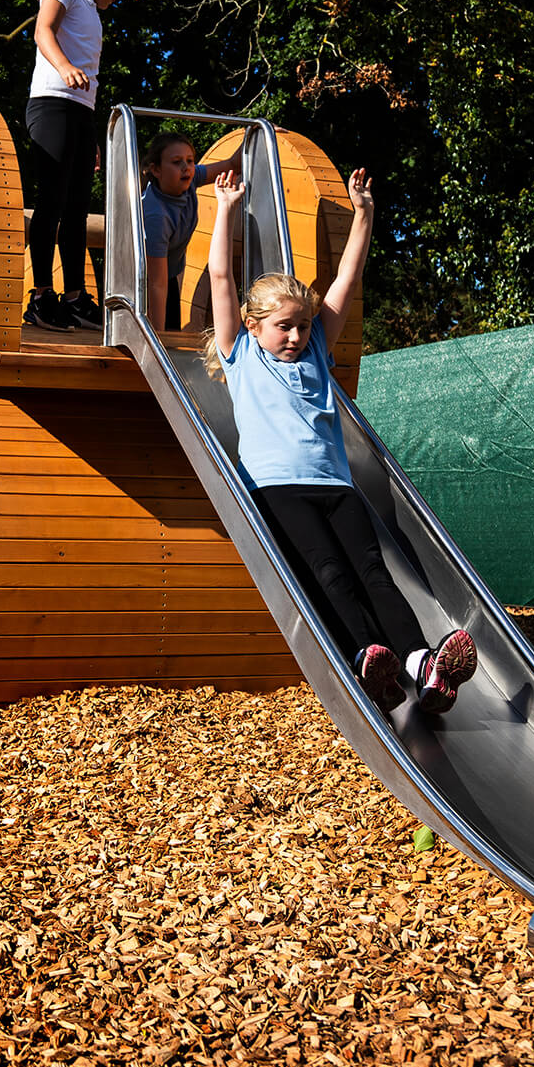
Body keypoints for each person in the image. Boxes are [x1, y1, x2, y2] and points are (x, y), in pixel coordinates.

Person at [204, 169, 478, 716]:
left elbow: (346, 282)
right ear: (254, 326)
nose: (296, 335)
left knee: (373, 571)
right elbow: (220, 278)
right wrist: (226, 209)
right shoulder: (243, 356)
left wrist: (365, 214)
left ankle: (421, 662)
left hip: (336, 485)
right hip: (277, 489)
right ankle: (366, 654)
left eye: (303, 325)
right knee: (327, 570)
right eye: (284, 325)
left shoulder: (315, 353)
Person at [24, 0, 133, 332]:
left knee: (76, 208)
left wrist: (92, 135)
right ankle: (40, 295)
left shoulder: (94, 11)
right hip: (51, 104)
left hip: (80, 113)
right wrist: (65, 67)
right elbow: (43, 31)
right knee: (51, 200)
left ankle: (73, 296)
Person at [141, 129, 242, 332]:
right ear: (156, 169)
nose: (186, 167)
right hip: (143, 285)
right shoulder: (156, 216)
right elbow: (156, 285)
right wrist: (158, 339)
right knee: (163, 336)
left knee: (172, 330)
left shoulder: (190, 180)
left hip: (166, 277)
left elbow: (233, 165)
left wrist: (256, 131)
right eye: (177, 162)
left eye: (190, 160)